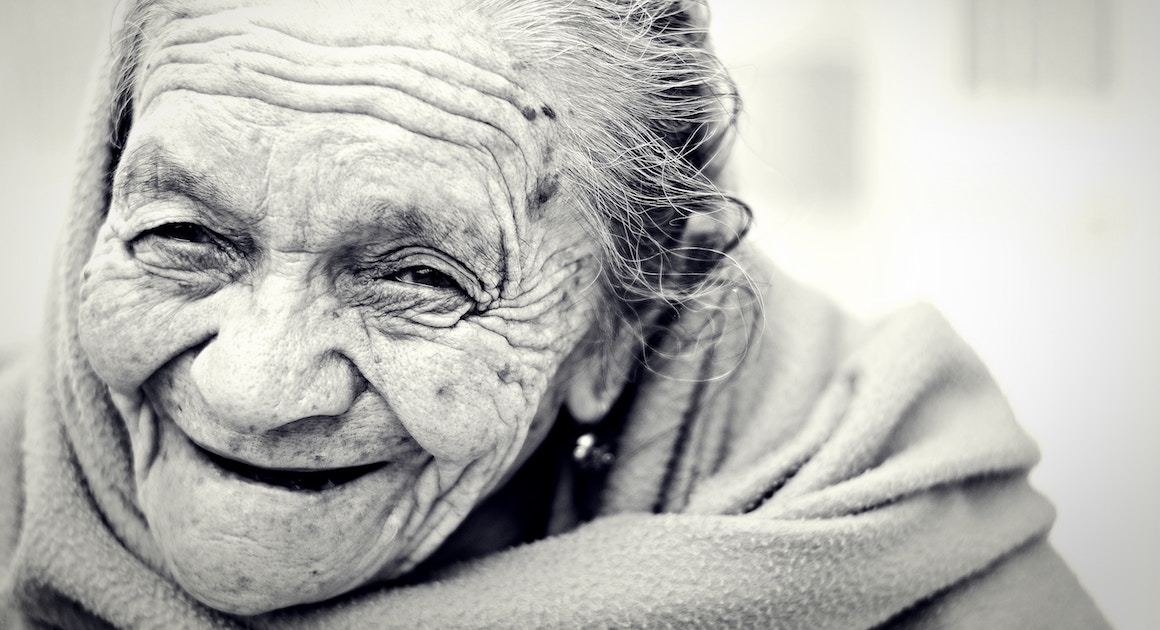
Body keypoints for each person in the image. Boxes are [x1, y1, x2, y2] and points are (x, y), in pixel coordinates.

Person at [0, 0, 1110, 627]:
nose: (250, 386)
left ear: (617, 327)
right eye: (183, 238)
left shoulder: (897, 552)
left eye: (417, 278)